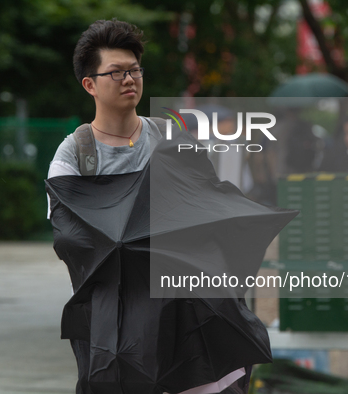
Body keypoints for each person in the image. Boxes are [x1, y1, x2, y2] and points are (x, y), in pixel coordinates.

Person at [48, 19, 252, 394]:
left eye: (134, 70)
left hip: (189, 309)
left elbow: (209, 205)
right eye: (116, 72)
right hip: (122, 320)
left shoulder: (171, 137)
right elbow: (71, 239)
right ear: (89, 84)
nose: (129, 79)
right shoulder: (74, 155)